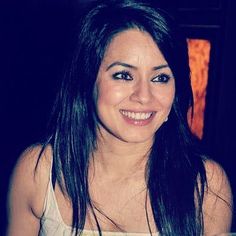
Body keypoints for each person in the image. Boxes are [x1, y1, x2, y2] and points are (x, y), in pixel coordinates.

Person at [7, 0, 233, 235]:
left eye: (160, 78)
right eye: (123, 75)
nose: (144, 96)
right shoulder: (39, 170)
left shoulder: (206, 186)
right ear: (87, 80)